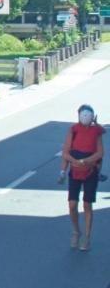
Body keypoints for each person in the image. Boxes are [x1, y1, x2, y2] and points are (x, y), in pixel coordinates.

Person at [59, 104, 104, 251]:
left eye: (87, 115)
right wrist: (64, 170)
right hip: (75, 172)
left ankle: (87, 237)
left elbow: (100, 153)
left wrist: (86, 161)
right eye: (82, 114)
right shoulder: (73, 130)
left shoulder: (96, 132)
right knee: (72, 205)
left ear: (91, 116)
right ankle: (76, 231)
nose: (84, 117)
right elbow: (65, 152)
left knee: (87, 205)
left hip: (90, 173)